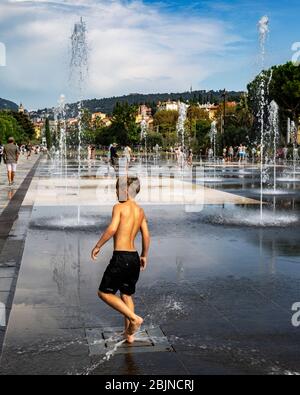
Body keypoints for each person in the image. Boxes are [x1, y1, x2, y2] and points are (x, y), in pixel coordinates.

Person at [91, 177, 151, 344]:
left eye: (117, 189)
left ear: (125, 191)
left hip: (121, 257)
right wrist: (144, 255)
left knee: (103, 292)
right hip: (133, 258)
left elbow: (112, 228)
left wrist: (98, 245)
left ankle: (134, 318)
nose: (116, 193)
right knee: (126, 295)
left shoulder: (119, 207)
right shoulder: (140, 211)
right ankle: (129, 335)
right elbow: (146, 235)